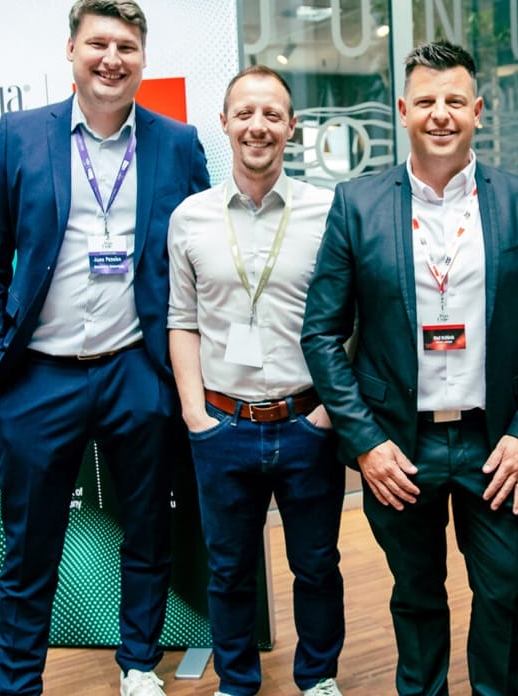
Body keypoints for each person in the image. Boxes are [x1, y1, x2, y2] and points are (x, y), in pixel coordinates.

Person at [0, 0, 210, 696]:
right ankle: (17, 682)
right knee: (29, 544)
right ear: (71, 50)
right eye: (98, 44)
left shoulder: (177, 143)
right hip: (39, 376)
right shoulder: (19, 135)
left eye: (126, 47)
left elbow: (196, 257)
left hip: (138, 369)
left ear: (143, 59)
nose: (112, 58)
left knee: (148, 530)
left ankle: (138, 665)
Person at [301, 40, 518, 696]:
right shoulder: (357, 204)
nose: (440, 114)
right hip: (399, 445)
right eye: (425, 101)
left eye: (454, 101)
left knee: (506, 587)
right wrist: (366, 442)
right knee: (416, 595)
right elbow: (322, 334)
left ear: (478, 111)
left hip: (495, 442)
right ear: (402, 111)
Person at [167, 66, 344, 696]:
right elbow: (181, 320)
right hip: (223, 425)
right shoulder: (190, 218)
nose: (258, 126)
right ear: (224, 123)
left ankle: (317, 678)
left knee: (317, 567)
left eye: (272, 114)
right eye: (245, 113)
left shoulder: (329, 212)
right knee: (229, 570)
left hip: (307, 425)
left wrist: (327, 411)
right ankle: (237, 682)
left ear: (292, 126)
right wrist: (195, 414)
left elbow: (355, 316)